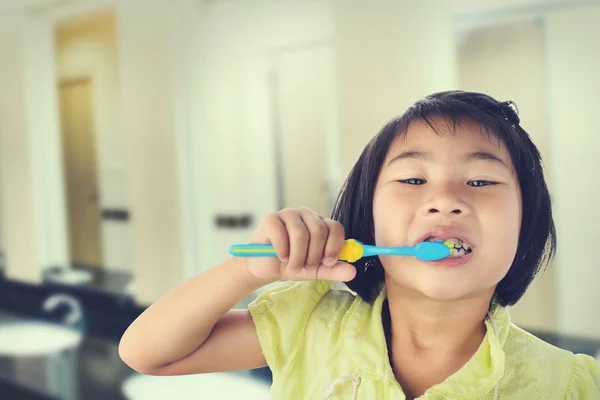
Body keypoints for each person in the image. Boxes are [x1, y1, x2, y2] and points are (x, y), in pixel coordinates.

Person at [118, 91, 600, 399]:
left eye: (480, 181)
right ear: (368, 219)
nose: (444, 201)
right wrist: (248, 272)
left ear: (526, 223)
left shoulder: (570, 384)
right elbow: (149, 355)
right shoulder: (310, 326)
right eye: (413, 178)